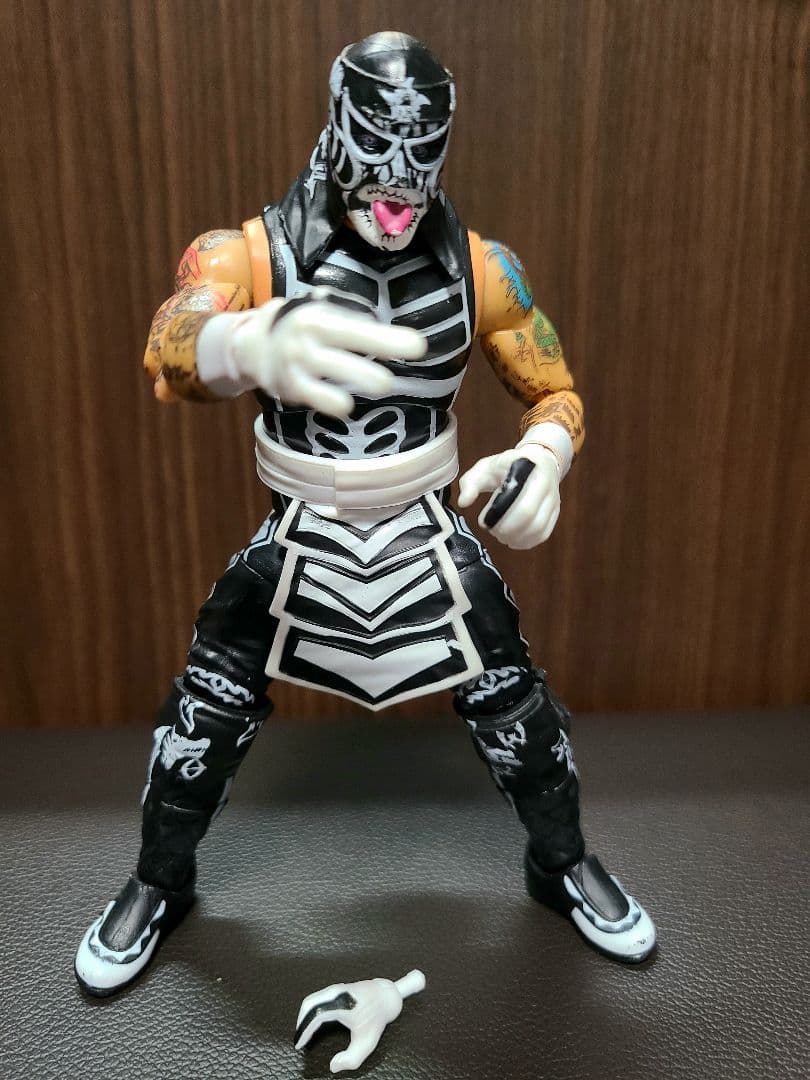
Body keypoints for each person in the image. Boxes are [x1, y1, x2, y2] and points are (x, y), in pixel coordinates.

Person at [75, 31, 655, 997]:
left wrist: (542, 460)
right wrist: (237, 344)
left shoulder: (482, 269)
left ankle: (560, 865)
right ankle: (159, 882)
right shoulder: (249, 254)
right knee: (204, 712)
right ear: (337, 129)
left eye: (421, 152)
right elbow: (169, 343)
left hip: (427, 529)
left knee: (518, 709)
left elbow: (554, 391)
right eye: (377, 145)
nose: (397, 181)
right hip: (297, 532)